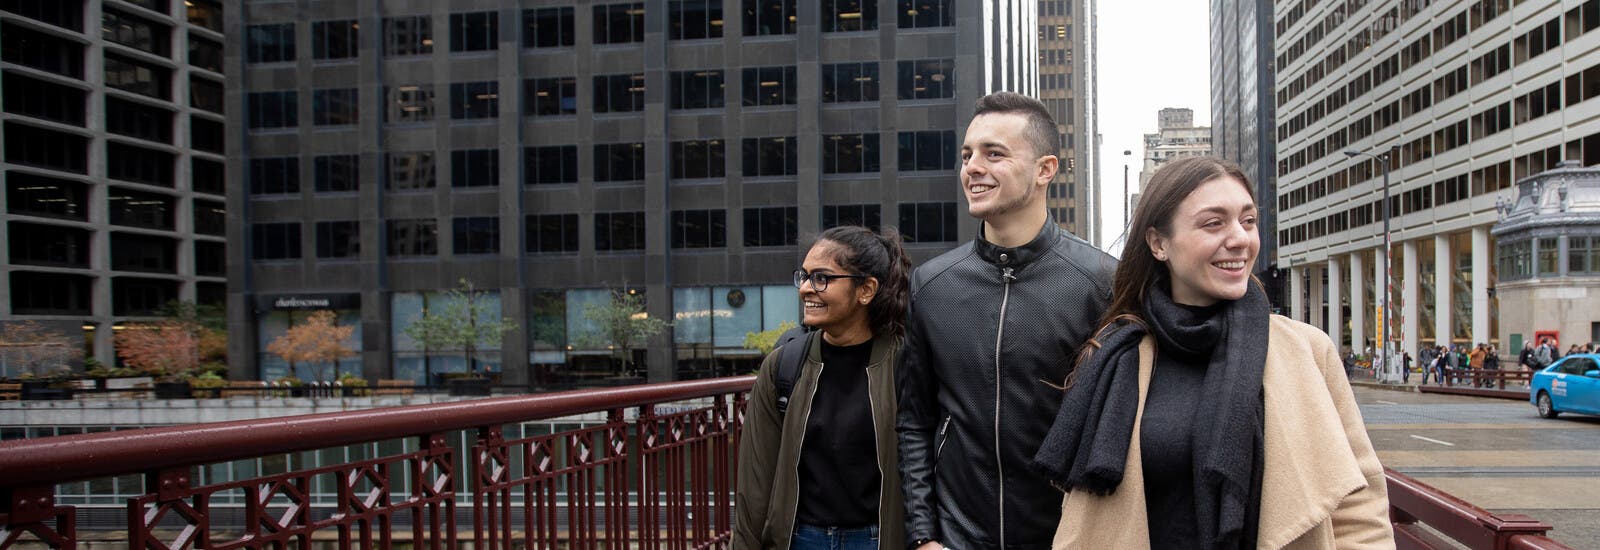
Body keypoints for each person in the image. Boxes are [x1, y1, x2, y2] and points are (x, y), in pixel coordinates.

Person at [1031, 156, 1393, 549]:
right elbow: (1084, 516)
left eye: (1248, 220)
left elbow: (1359, 508)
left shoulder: (1306, 350)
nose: (1239, 238)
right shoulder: (1116, 358)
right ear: (1158, 243)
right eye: (1213, 223)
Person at [897, 91, 1116, 549]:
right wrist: (923, 537)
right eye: (967, 154)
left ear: (1045, 170)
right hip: (957, 539)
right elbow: (915, 420)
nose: (972, 167)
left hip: (1068, 538)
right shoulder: (932, 285)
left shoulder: (1100, 282)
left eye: (994, 154)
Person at [734, 226, 913, 550]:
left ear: (866, 290)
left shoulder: (904, 363)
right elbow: (755, 482)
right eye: (803, 276)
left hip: (877, 540)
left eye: (821, 278)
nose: (805, 289)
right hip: (800, 539)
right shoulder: (782, 366)